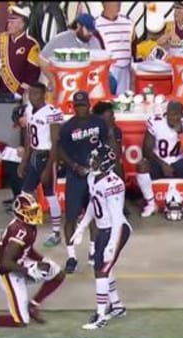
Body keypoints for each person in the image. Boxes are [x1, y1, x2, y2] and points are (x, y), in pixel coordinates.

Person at [0, 193, 66, 327]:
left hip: (20, 263)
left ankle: (33, 305)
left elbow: (27, 249)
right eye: (30, 212)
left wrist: (42, 259)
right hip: (8, 273)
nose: (35, 214)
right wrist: (28, 270)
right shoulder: (20, 231)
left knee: (58, 273)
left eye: (35, 211)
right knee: (20, 321)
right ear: (21, 212)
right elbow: (4, 262)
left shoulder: (28, 226)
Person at [69, 142, 131, 330]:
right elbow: (92, 205)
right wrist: (81, 227)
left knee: (101, 271)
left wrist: (112, 244)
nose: (92, 162)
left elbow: (118, 219)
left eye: (96, 159)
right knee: (103, 268)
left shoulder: (113, 184)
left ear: (105, 164)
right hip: (104, 230)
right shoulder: (92, 179)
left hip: (116, 230)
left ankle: (101, 315)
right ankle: (117, 306)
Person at [57, 91, 112, 273]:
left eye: (83, 105)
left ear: (89, 105)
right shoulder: (67, 127)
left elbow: (106, 142)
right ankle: (71, 256)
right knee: (71, 217)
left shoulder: (99, 123)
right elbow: (61, 150)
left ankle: (92, 251)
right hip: (76, 177)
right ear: (73, 107)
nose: (81, 108)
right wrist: (73, 166)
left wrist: (103, 162)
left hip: (95, 176)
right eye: (77, 105)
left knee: (95, 215)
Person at [136, 100, 183, 218]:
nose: (172, 117)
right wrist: (162, 164)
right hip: (158, 161)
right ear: (166, 112)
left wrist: (181, 133)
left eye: (176, 114)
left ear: (182, 115)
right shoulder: (156, 122)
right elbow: (146, 150)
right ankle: (151, 204)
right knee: (142, 165)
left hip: (179, 162)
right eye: (170, 114)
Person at [20, 83, 64, 247]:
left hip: (47, 156)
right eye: (31, 93)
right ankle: (30, 226)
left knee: (50, 194)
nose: (33, 97)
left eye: (36, 94)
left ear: (44, 94)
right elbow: (28, 138)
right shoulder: (29, 110)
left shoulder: (52, 113)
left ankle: (56, 232)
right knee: (26, 192)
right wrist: (24, 160)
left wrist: (48, 167)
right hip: (34, 155)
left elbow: (55, 143)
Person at [39, 13, 104, 87]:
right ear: (79, 26)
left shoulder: (95, 42)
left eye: (92, 31)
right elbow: (42, 60)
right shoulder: (60, 39)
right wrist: (54, 81)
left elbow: (99, 66)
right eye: (88, 30)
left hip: (86, 88)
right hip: (62, 87)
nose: (90, 33)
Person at [0, 5, 40, 96]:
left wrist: (20, 92)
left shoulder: (31, 45)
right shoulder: (1, 38)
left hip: (19, 94)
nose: (8, 24)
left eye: (13, 22)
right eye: (9, 21)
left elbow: (32, 75)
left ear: (22, 24)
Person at [96, 2, 134, 95]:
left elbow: (134, 48)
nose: (118, 3)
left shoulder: (128, 22)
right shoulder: (96, 24)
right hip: (109, 70)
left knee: (125, 101)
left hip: (127, 70)